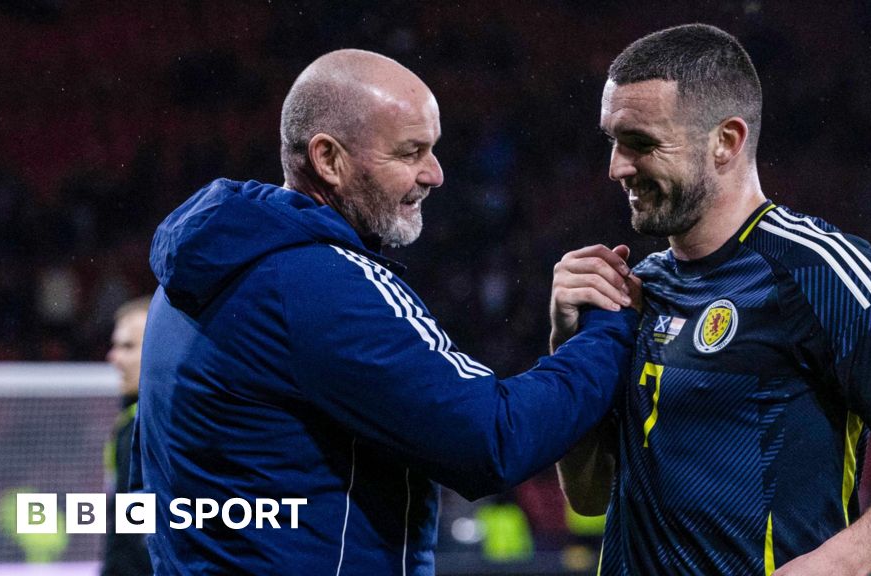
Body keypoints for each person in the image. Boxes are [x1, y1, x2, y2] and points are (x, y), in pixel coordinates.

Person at [131, 49, 637, 575]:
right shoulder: (319, 284)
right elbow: (493, 439)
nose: (435, 174)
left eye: (433, 149)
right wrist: (609, 327)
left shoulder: (193, 276)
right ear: (328, 160)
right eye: (410, 152)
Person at [552, 24, 871, 575]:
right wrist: (565, 347)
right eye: (613, 140)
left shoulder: (818, 272)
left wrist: (838, 564)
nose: (616, 167)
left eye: (642, 144)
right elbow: (590, 495)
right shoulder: (638, 288)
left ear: (726, 141)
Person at [102, 296, 153, 576]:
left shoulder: (146, 427)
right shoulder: (132, 419)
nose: (113, 356)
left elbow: (137, 533)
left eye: (128, 346)